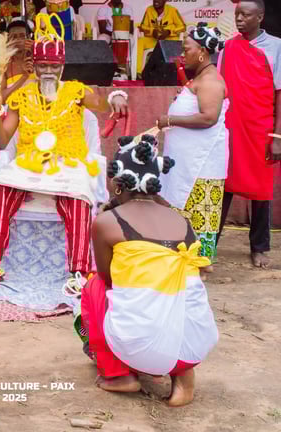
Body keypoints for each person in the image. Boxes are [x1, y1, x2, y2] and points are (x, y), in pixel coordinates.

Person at [0, 13, 128, 287]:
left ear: (62, 67)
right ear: (34, 67)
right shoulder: (22, 95)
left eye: (53, 67)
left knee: (79, 191)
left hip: (68, 163)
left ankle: (78, 272)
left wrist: (115, 98)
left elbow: (101, 103)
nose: (48, 72)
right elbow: (0, 143)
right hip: (28, 164)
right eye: (42, 66)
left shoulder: (75, 91)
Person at [78, 134, 218, 407]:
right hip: (197, 345)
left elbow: (109, 279)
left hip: (141, 348)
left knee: (94, 286)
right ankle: (183, 374)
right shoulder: (180, 219)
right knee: (180, 292)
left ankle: (119, 375)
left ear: (118, 182)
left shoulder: (107, 222)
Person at [217, 0, 281, 268]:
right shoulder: (227, 48)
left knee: (261, 191)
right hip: (231, 126)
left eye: (246, 15)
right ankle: (210, 242)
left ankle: (259, 247)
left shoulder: (276, 47)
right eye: (237, 14)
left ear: (259, 17)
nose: (239, 19)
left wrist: (278, 136)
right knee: (222, 184)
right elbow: (220, 86)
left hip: (261, 128)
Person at [157, 24, 228, 265]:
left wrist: (170, 119)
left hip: (201, 168)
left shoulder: (210, 81)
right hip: (187, 166)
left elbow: (209, 117)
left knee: (199, 217)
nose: (182, 54)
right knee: (181, 215)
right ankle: (181, 263)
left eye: (186, 49)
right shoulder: (200, 78)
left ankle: (198, 266)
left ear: (201, 53)